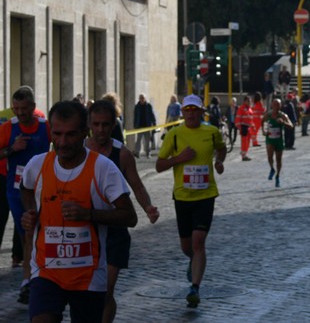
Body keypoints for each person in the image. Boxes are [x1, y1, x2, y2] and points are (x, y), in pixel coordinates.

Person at [20, 100, 137, 323]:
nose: (62, 142)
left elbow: (130, 217)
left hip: (88, 277)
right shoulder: (37, 165)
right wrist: (31, 212)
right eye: (57, 134)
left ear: (85, 132)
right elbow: (25, 189)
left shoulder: (103, 168)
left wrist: (89, 214)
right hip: (46, 271)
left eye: (71, 135)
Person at [85, 100, 160, 323]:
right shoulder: (78, 149)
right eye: (96, 124)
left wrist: (148, 207)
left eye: (105, 125)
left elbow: (136, 184)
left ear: (113, 125)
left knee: (106, 290)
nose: (100, 130)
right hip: (85, 229)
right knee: (88, 292)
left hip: (115, 230)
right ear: (89, 123)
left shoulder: (122, 154)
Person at [156, 94, 227, 308]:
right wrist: (179, 158)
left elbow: (221, 148)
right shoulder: (175, 135)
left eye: (195, 110)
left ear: (201, 112)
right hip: (182, 196)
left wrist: (219, 161)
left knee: (198, 242)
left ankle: (194, 288)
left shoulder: (211, 132)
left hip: (205, 195)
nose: (191, 114)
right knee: (186, 246)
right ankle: (192, 261)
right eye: (187, 110)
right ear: (182, 112)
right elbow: (159, 165)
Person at [0, 86, 51, 304]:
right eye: (16, 108)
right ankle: (29, 279)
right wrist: (12, 148)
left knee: (40, 232)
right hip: (16, 189)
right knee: (26, 233)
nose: (20, 113)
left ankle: (35, 278)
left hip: (43, 189)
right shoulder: (8, 128)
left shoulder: (45, 126)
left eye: (24, 108)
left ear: (33, 107)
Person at [261, 99, 293, 187]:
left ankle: (277, 176)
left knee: (278, 159)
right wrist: (263, 131)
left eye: (278, 105)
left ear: (280, 106)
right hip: (270, 139)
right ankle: (272, 168)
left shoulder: (283, 115)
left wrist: (284, 122)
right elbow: (262, 121)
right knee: (269, 156)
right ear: (272, 105)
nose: (276, 106)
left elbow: (291, 126)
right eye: (275, 105)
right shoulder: (269, 115)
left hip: (279, 140)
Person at [133, 93, 156, 158]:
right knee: (138, 141)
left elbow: (152, 115)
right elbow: (135, 116)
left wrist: (154, 123)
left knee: (147, 141)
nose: (141, 99)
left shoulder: (148, 106)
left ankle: (148, 154)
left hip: (147, 126)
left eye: (142, 98)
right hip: (139, 126)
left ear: (145, 99)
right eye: (140, 98)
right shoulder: (137, 106)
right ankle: (137, 153)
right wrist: (135, 125)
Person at [235, 96, 254, 161]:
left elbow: (250, 119)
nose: (249, 102)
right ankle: (244, 155)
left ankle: (244, 153)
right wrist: (239, 127)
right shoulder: (241, 108)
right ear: (245, 101)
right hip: (243, 127)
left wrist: (252, 126)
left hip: (248, 128)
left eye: (250, 101)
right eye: (248, 101)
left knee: (247, 142)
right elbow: (238, 118)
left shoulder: (249, 109)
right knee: (244, 142)